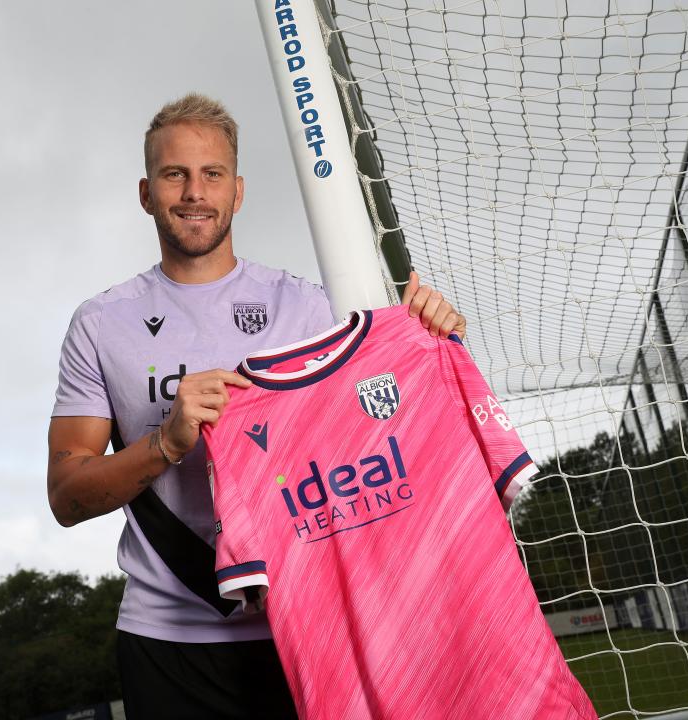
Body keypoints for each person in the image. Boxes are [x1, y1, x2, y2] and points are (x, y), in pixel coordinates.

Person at [47, 93, 466, 719]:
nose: (194, 192)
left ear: (237, 192)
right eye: (174, 174)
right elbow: (66, 498)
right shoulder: (102, 324)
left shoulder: (310, 307)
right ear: (146, 193)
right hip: (170, 642)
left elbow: (389, 425)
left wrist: (429, 338)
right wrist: (166, 442)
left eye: (212, 174)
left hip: (309, 621)